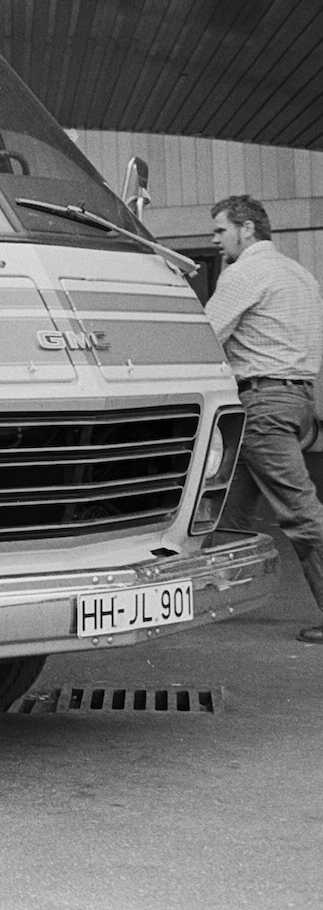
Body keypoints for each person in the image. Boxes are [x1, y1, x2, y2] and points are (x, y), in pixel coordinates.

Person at [205, 194, 323, 643]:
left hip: (261, 404)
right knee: (228, 509)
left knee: (301, 514)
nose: (215, 240)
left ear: (247, 229)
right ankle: (218, 597)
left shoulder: (245, 272)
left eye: (220, 231)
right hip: (296, 401)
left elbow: (207, 334)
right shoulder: (299, 273)